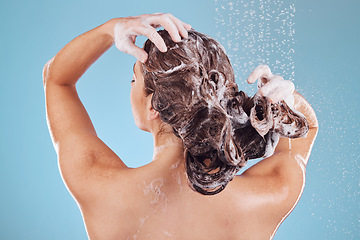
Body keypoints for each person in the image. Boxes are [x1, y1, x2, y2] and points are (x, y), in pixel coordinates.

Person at [43, 13, 318, 240]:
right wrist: (285, 101)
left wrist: (111, 29)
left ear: (153, 105)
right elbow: (306, 131)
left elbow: (56, 80)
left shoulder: (102, 187)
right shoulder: (264, 197)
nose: (130, 86)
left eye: (133, 80)